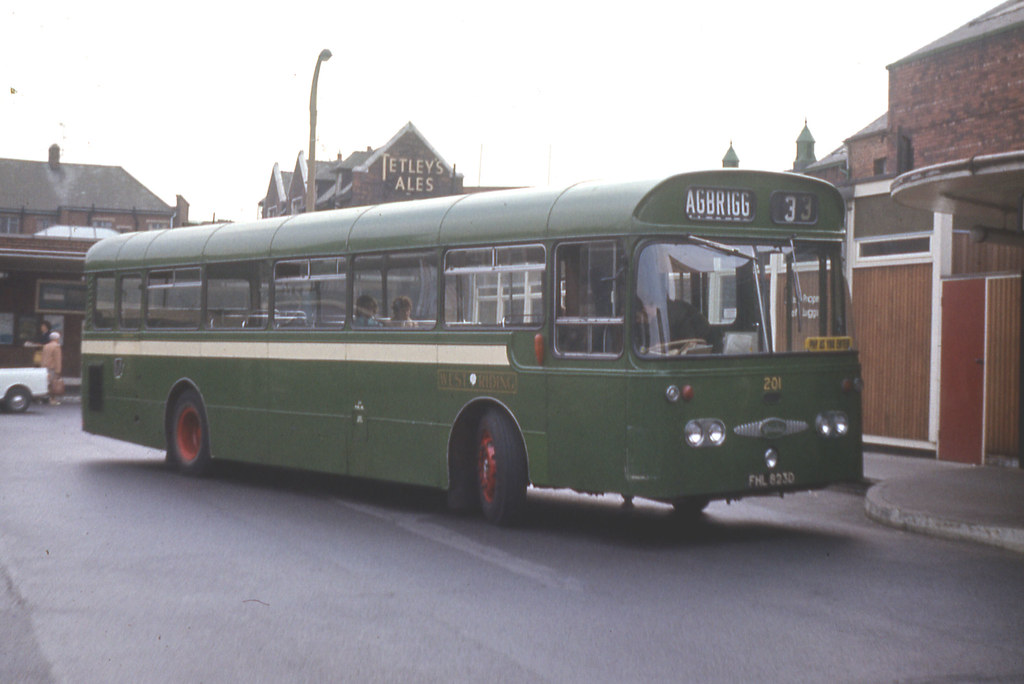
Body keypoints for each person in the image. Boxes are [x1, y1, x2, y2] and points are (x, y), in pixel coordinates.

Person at [41, 330, 63, 405]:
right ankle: (52, 399)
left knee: (46, 383)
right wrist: (58, 371)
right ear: (57, 338)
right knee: (53, 384)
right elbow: (57, 359)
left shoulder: (46, 346)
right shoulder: (56, 347)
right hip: (52, 367)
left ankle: (43, 399)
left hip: (44, 367)